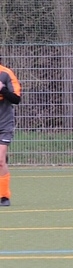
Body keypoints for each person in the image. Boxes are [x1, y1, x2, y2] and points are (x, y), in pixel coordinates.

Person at [0, 58, 22, 207]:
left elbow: (16, 99)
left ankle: (4, 196)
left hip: (4, 124)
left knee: (0, 160)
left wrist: (2, 89)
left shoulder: (6, 74)